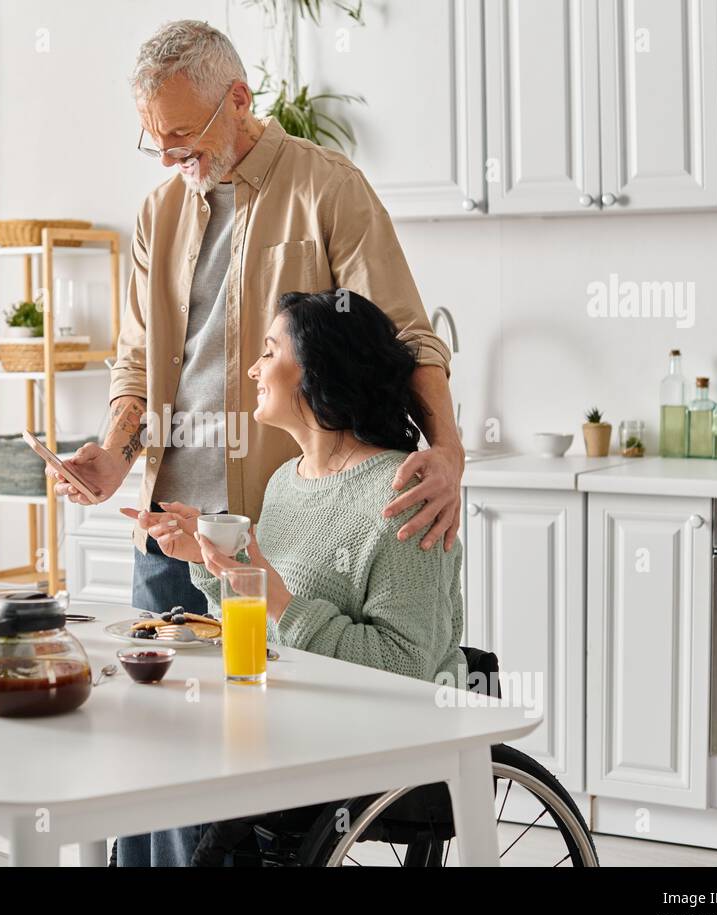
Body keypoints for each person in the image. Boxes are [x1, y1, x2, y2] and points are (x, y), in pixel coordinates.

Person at [47, 20, 465, 618]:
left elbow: (407, 338)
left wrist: (448, 451)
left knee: (277, 705)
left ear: (239, 100)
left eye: (182, 133)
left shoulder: (327, 187)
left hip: (282, 537)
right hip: (168, 538)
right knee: (160, 709)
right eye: (154, 140)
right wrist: (115, 455)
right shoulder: (157, 213)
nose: (168, 156)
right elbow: (140, 363)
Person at [120, 289, 467, 867]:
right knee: (146, 730)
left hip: (370, 734)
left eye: (269, 351)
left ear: (318, 370)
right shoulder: (287, 480)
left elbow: (407, 668)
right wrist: (207, 561)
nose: (253, 369)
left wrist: (277, 596)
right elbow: (266, 623)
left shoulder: (403, 495)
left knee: (180, 757)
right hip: (292, 711)